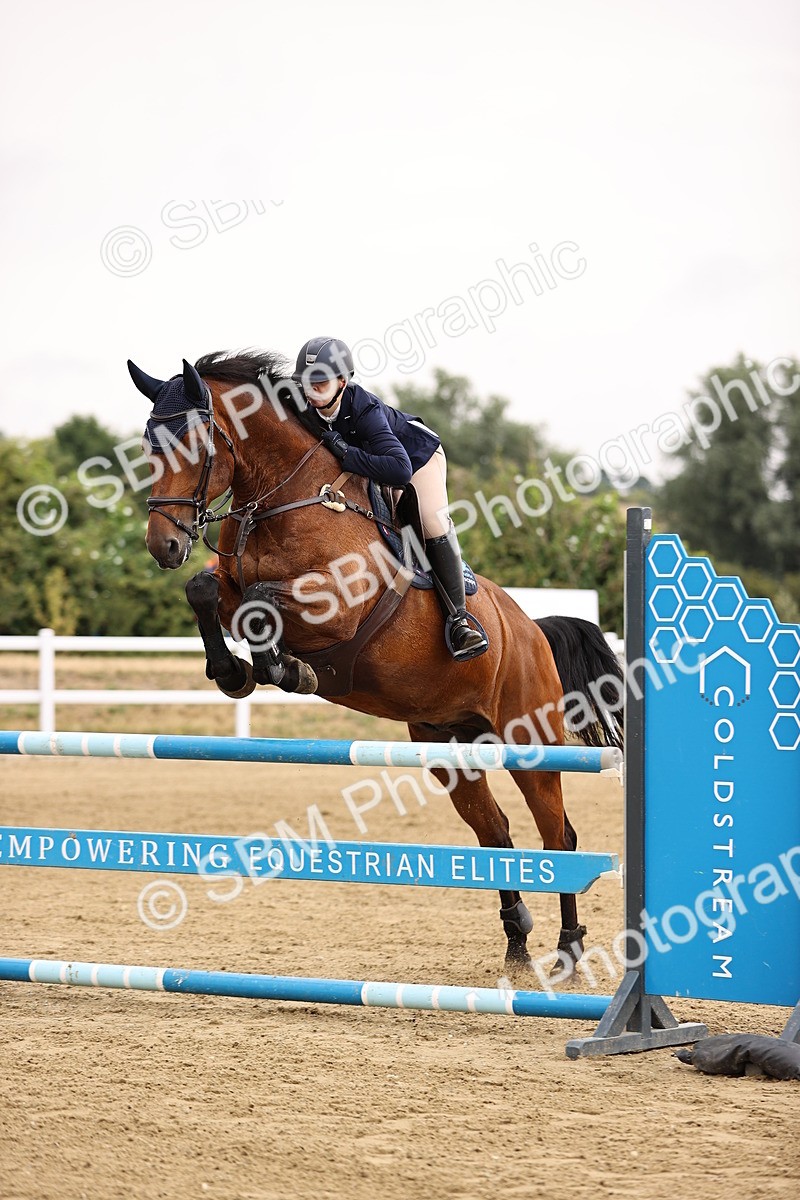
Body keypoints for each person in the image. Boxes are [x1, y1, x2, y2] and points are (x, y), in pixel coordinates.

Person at [292, 336, 488, 661]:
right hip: (376, 464)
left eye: (320, 383)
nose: (311, 391)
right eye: (306, 383)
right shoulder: (305, 403)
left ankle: (459, 621)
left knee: (429, 522)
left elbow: (399, 470)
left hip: (416, 458)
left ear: (342, 381)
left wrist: (345, 452)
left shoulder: (363, 409)